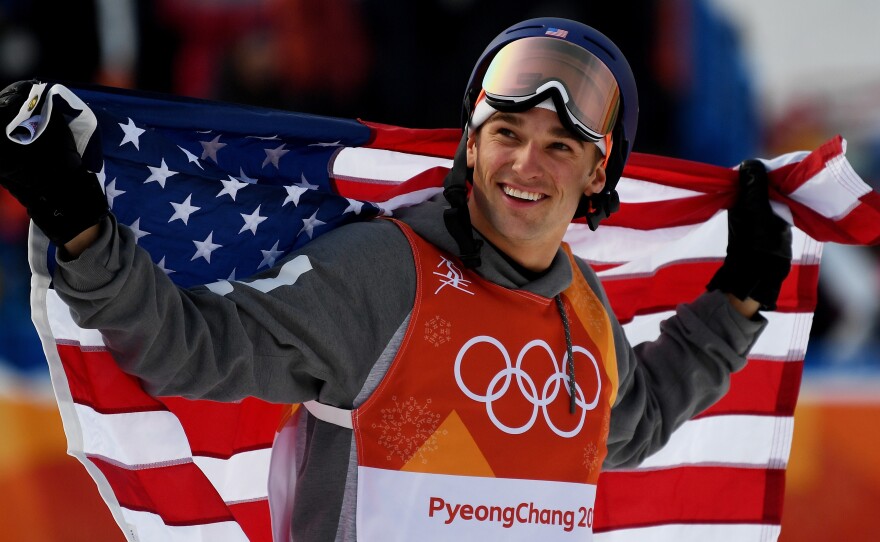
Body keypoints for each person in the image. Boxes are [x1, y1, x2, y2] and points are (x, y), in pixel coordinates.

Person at [0, 17, 792, 542]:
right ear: (470, 150)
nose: (525, 164)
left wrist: (740, 297)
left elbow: (633, 425)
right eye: (505, 134)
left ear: (597, 174)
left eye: (560, 146)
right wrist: (83, 227)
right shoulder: (386, 277)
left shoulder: (582, 307)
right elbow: (194, 352)